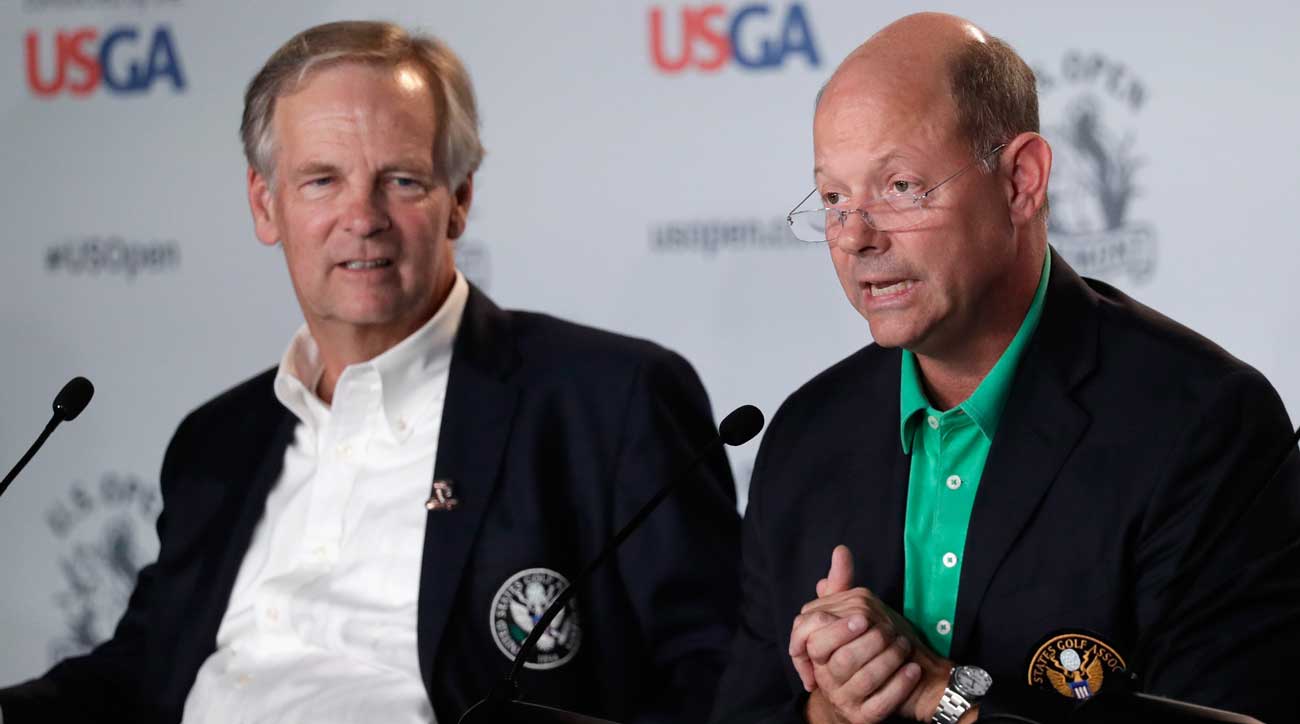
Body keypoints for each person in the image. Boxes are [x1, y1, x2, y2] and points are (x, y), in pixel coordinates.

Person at [0, 21, 740, 724]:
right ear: (266, 205)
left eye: (403, 181)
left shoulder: (606, 401)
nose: (363, 216)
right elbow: (142, 673)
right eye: (321, 181)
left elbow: (717, 669)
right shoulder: (217, 441)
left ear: (460, 200)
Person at [711, 12, 1300, 724]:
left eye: (900, 186)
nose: (856, 237)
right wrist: (828, 714)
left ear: (1022, 179)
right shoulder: (805, 433)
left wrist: (941, 695)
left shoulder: (1203, 424)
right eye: (834, 198)